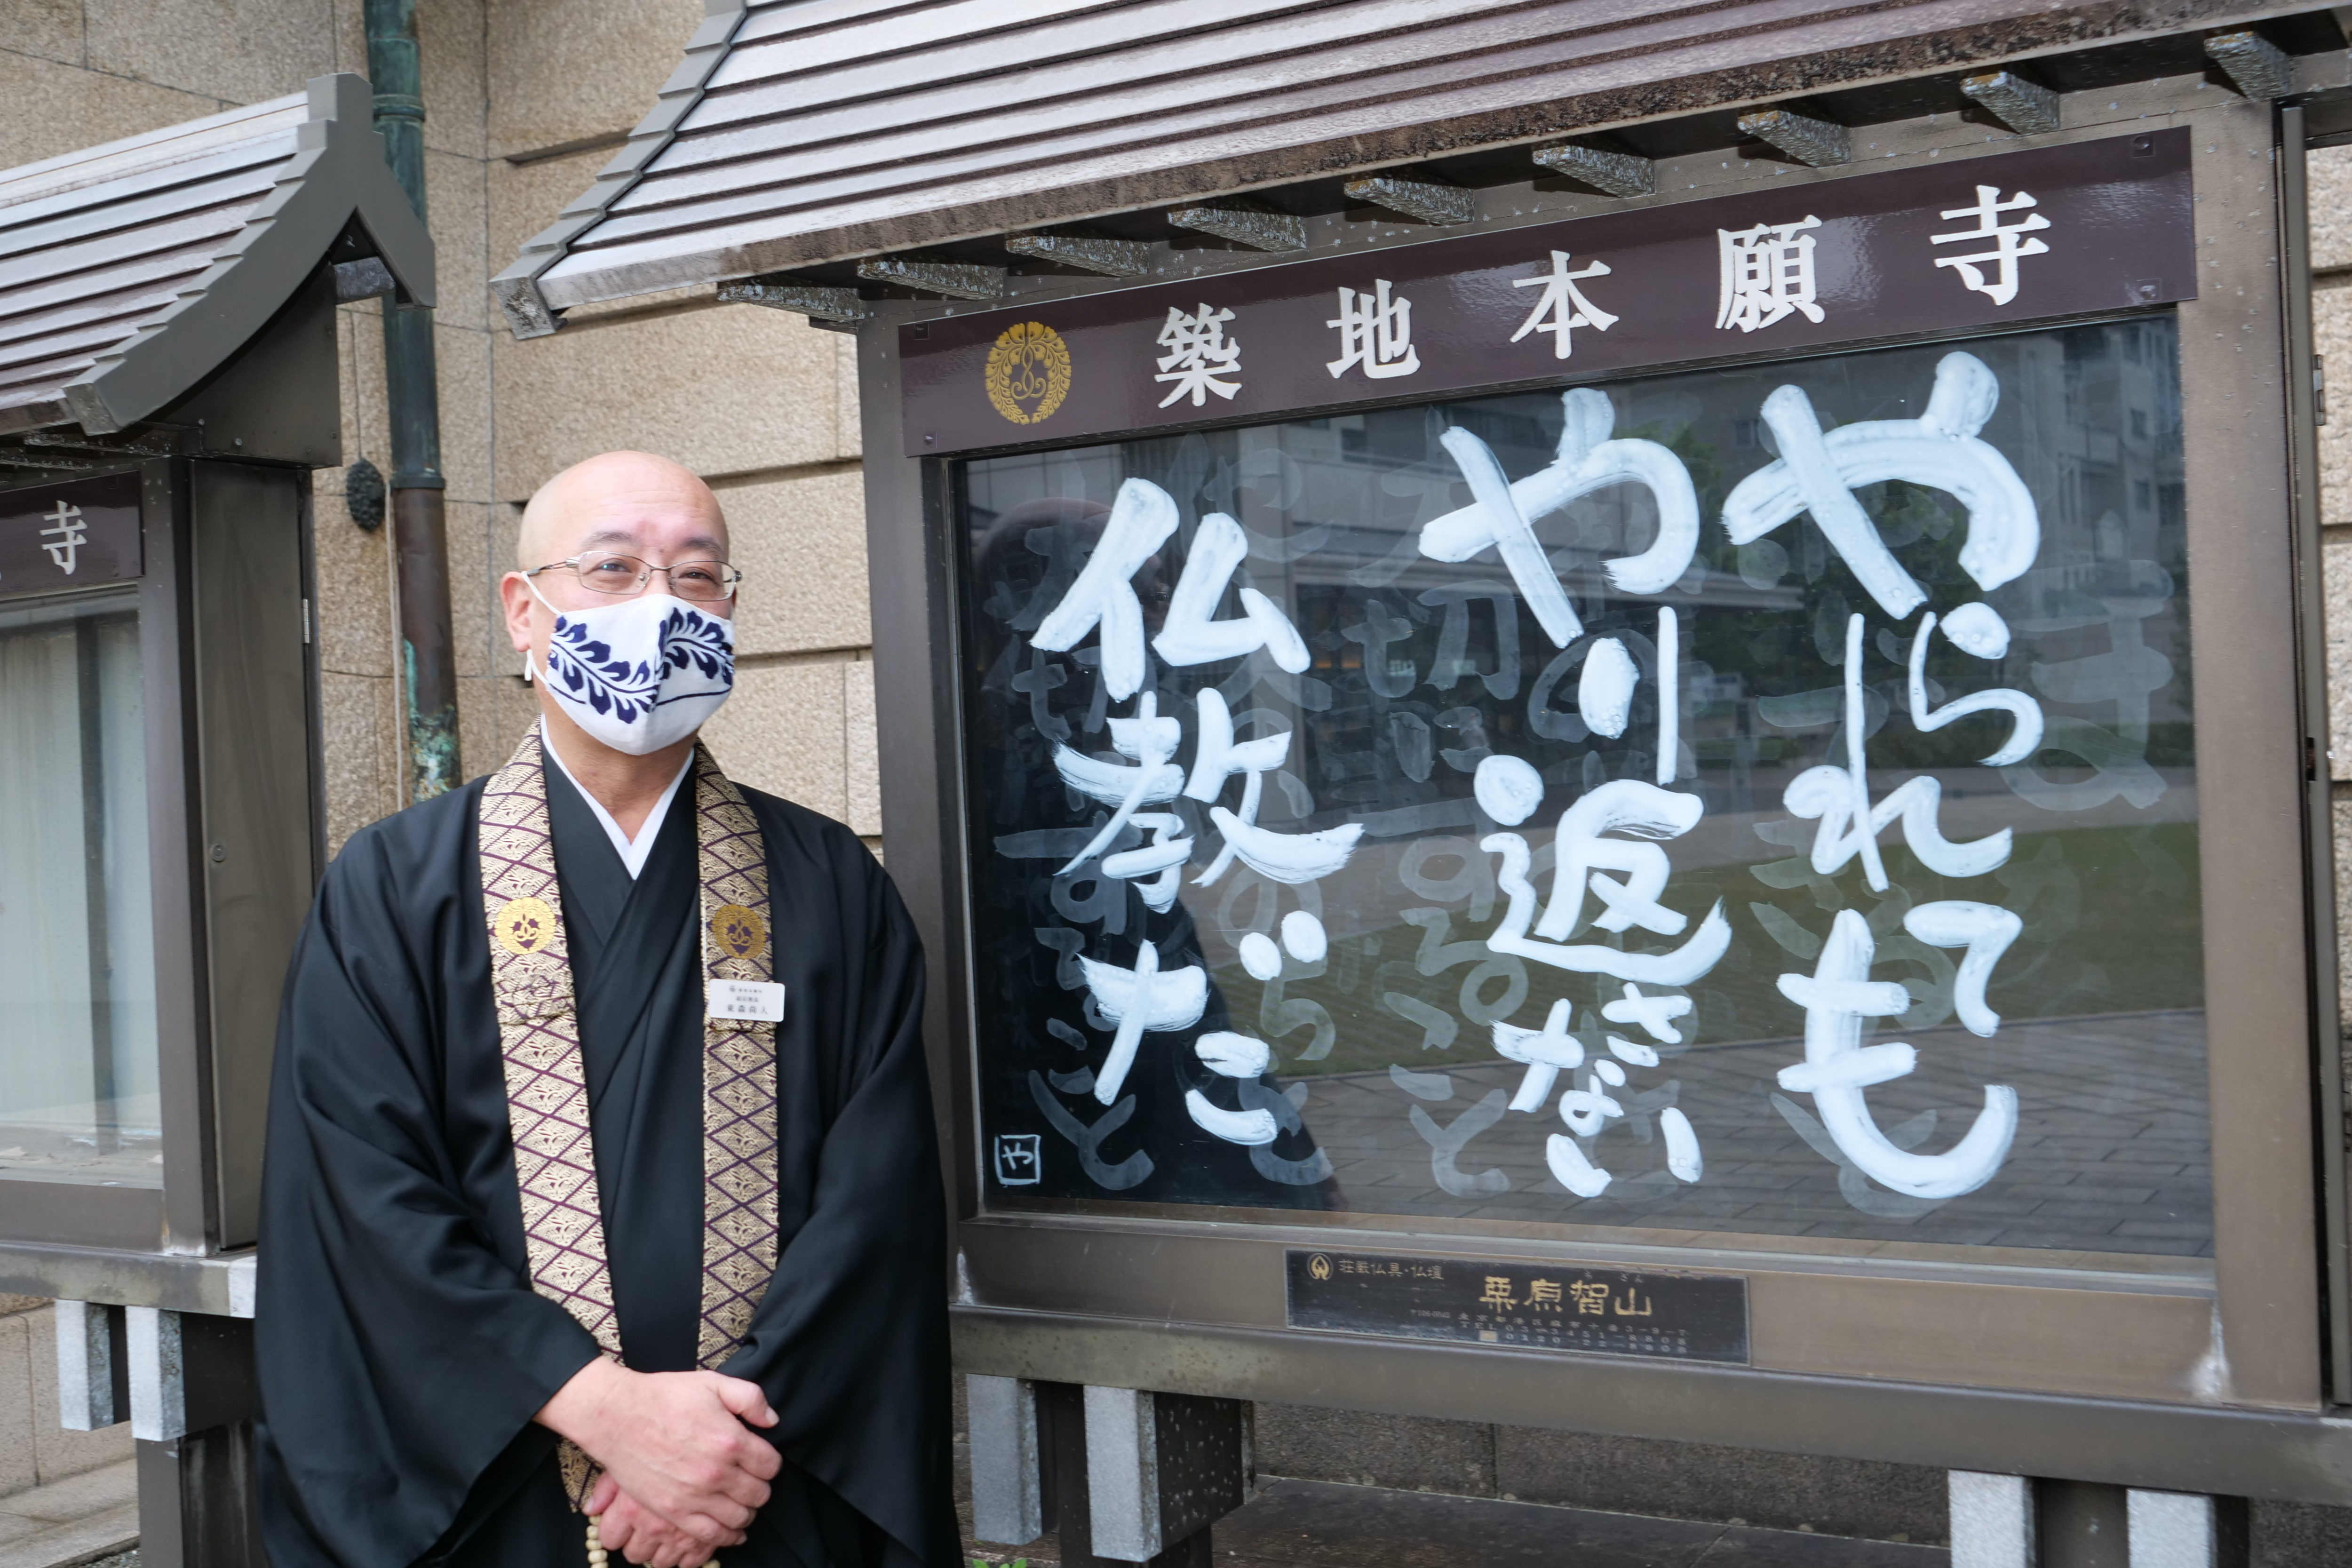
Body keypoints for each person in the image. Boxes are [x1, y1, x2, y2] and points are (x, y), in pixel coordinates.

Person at [255, 451, 956, 1568]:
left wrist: (706, 1451)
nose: (660, 608)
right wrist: (598, 1407)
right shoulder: (393, 888)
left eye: (695, 575)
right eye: (614, 568)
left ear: (731, 609)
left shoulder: (828, 880)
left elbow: (878, 1207)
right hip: (499, 1490)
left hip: (764, 1473)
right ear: (523, 613)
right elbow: (360, 1197)